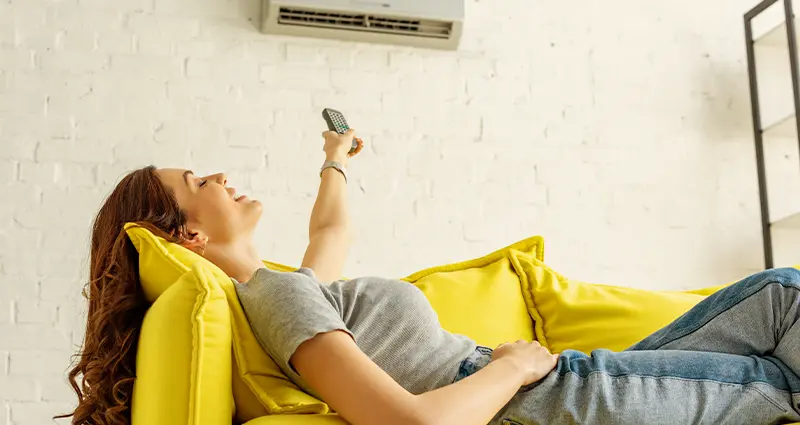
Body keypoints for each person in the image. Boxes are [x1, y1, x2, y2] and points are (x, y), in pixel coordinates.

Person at [60, 129, 800, 425]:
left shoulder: (284, 288)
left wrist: (336, 158)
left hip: (553, 393)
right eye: (197, 179)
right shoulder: (278, 298)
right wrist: (510, 365)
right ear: (187, 231)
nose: (219, 174)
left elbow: (332, 232)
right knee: (779, 357)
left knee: (776, 300)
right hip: (547, 400)